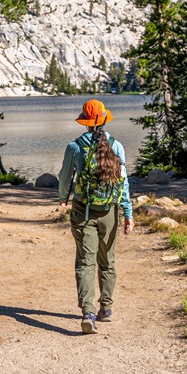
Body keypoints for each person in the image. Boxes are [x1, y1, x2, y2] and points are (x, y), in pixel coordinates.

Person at [58, 99, 134, 334]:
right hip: (109, 212)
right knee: (107, 260)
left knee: (85, 261)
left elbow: (64, 177)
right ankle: (106, 309)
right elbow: (123, 183)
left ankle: (88, 312)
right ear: (103, 118)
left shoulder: (74, 146)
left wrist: (63, 198)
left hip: (83, 210)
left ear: (87, 122)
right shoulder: (117, 146)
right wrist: (128, 212)